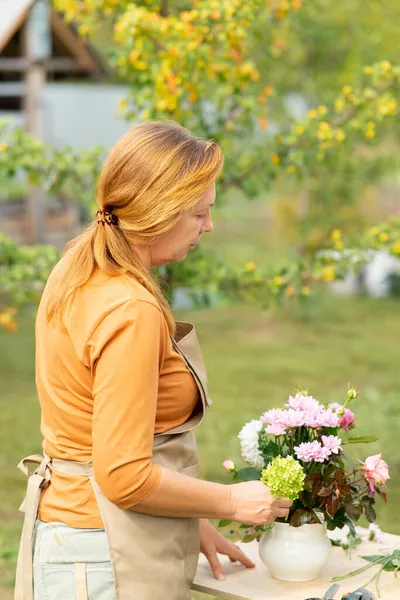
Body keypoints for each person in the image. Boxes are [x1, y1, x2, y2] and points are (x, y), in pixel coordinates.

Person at [14, 121, 292, 600]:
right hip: (106, 553)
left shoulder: (80, 265)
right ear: (160, 213)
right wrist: (232, 500)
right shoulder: (131, 309)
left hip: (73, 539)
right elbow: (123, 475)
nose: (210, 226)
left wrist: (191, 517)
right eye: (200, 214)